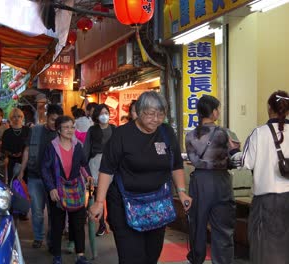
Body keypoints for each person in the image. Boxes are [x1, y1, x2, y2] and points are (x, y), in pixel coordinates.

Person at [89, 91, 191, 264]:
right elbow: (107, 169)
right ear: (138, 112)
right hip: (124, 204)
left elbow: (175, 165)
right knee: (132, 257)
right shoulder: (122, 135)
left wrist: (182, 192)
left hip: (157, 205)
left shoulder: (166, 132)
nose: (156, 119)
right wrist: (99, 202)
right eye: (151, 114)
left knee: (151, 255)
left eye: (160, 114)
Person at [185, 95, 240, 264]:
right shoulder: (225, 133)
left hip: (200, 181)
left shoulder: (190, 135)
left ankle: (196, 258)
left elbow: (192, 159)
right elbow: (235, 160)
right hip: (221, 181)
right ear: (214, 112)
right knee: (223, 227)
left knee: (198, 225)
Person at [242, 90, 289, 264]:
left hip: (266, 201)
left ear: (269, 108)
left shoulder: (259, 133)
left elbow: (246, 163)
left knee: (264, 248)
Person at [41, 116, 94, 264]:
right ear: (58, 130)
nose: (70, 130)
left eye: (72, 127)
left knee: (78, 223)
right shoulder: (51, 147)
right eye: (66, 127)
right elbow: (44, 169)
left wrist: (88, 176)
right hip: (58, 189)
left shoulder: (78, 145)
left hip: (76, 188)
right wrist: (51, 188)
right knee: (57, 225)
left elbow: (83, 164)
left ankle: (80, 255)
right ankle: (57, 256)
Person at [17, 104, 64, 249]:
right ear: (46, 117)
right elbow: (27, 150)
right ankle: (38, 237)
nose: (54, 124)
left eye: (57, 121)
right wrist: (22, 170)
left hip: (55, 180)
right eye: (52, 120)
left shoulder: (62, 132)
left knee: (53, 212)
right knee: (37, 211)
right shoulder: (35, 130)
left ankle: (52, 239)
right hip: (35, 176)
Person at [83, 104, 115, 236]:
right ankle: (101, 224)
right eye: (101, 113)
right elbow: (86, 148)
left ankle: (111, 220)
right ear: (96, 116)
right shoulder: (92, 130)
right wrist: (86, 169)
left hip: (112, 164)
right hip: (95, 164)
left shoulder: (114, 129)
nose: (104, 115)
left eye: (106, 112)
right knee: (98, 196)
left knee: (112, 195)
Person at [2, 108, 30, 184]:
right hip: (12, 161)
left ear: (22, 117)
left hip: (25, 161)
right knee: (13, 183)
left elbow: (31, 146)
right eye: (14, 117)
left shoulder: (27, 130)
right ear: (11, 118)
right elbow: (4, 148)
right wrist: (11, 154)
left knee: (25, 183)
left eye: (19, 116)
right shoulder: (7, 132)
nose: (17, 118)